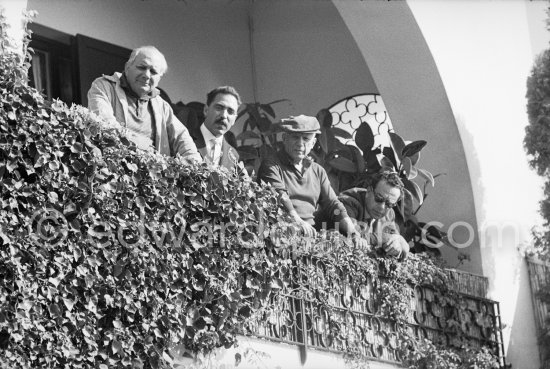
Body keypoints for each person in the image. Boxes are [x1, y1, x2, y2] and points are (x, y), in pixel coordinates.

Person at [257, 115, 366, 246]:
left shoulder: (318, 171)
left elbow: (332, 204)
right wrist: (298, 221)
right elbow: (280, 197)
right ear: (284, 138)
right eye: (295, 137)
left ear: (313, 143)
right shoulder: (271, 165)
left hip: (310, 236)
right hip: (279, 235)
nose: (300, 143)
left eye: (306, 139)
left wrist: (352, 231)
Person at [87, 45, 201, 163]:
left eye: (153, 71)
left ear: (159, 78)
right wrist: (146, 145)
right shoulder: (103, 86)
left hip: (151, 177)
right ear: (127, 67)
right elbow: (104, 126)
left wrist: (195, 162)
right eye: (142, 67)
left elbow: (182, 137)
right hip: (110, 168)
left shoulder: (162, 106)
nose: (147, 75)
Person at [318, 170, 410, 259]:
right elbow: (353, 236)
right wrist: (384, 238)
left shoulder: (389, 213)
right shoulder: (348, 202)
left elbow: (396, 240)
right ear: (369, 191)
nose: (382, 207)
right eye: (379, 198)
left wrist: (400, 241)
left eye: (389, 204)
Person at [189, 86, 243, 173]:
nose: (224, 115)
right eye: (219, 108)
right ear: (206, 110)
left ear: (234, 120)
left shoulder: (233, 155)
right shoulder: (185, 138)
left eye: (230, 111)